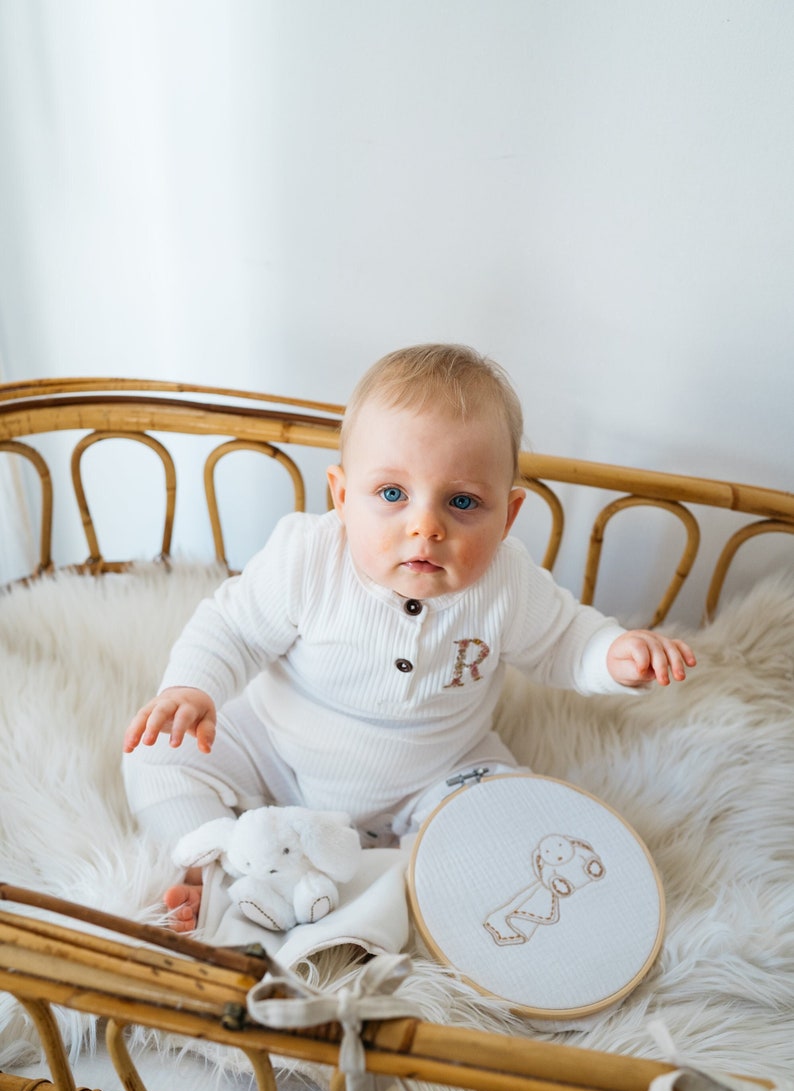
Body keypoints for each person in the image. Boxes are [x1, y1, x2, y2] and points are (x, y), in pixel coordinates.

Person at [123, 343, 696, 932]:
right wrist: (192, 689)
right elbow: (233, 628)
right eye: (392, 494)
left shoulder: (506, 582)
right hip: (275, 756)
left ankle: (389, 892)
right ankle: (214, 863)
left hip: (434, 775)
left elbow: (564, 643)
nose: (426, 525)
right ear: (342, 497)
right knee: (157, 754)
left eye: (463, 501)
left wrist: (613, 655)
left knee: (506, 810)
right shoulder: (308, 556)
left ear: (508, 516)